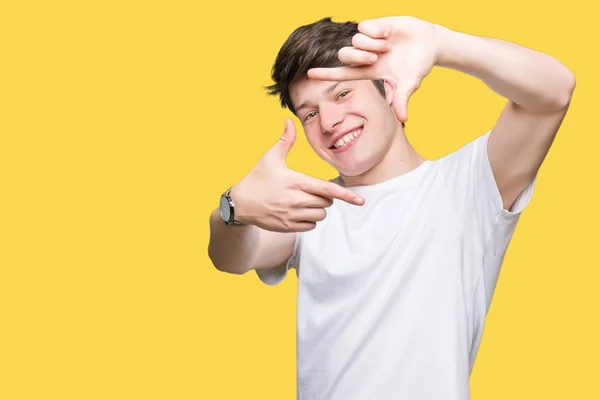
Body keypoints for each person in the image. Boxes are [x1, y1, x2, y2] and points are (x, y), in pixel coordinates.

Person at [208, 15, 575, 400]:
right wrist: (234, 209)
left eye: (342, 93)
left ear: (386, 87)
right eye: (310, 113)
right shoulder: (309, 208)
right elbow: (231, 256)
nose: (329, 122)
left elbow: (554, 91)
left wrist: (441, 44)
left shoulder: (466, 186)